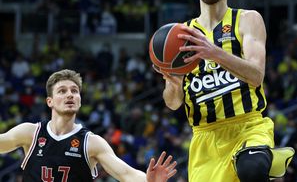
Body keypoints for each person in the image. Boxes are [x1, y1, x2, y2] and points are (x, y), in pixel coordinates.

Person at [156, 0, 294, 182]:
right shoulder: (180, 34)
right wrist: (173, 84)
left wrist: (214, 52)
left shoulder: (247, 19)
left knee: (252, 169)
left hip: (248, 126)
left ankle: (263, 160)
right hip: (205, 139)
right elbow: (172, 103)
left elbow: (256, 75)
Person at [0, 69, 177, 182]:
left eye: (74, 91)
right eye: (62, 91)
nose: (70, 95)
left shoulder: (91, 142)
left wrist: (148, 181)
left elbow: (126, 174)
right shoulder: (30, 133)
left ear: (80, 100)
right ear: (50, 101)